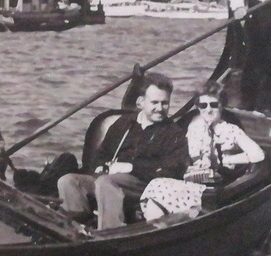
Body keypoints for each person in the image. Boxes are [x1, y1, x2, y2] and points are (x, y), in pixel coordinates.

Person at [57, 72, 187, 230]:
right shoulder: (123, 124)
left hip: (144, 185)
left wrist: (132, 168)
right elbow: (101, 155)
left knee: (106, 182)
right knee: (68, 181)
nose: (160, 108)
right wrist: (100, 166)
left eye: (164, 103)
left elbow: (173, 171)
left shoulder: (173, 133)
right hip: (107, 179)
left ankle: (109, 233)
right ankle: (74, 228)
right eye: (154, 102)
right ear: (141, 102)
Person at [140, 82, 267, 220]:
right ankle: (155, 230)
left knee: (158, 187)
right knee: (156, 189)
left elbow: (258, 155)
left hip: (214, 188)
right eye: (203, 105)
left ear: (221, 105)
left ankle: (162, 229)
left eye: (213, 105)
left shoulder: (231, 130)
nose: (208, 110)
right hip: (190, 181)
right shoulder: (193, 127)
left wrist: (225, 160)